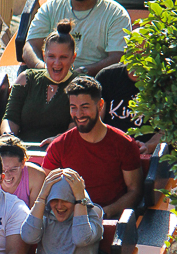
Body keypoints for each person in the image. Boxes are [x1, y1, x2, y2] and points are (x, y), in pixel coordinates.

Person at [42, 76, 143, 219]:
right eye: (73, 108)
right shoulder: (59, 146)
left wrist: (103, 212)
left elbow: (135, 191)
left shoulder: (123, 143)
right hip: (68, 221)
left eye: (85, 107)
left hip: (109, 221)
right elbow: (46, 188)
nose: (79, 114)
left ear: (100, 105)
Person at [21, 169, 103, 254]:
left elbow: (81, 239)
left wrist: (80, 199)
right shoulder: (45, 216)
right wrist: (42, 196)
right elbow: (28, 237)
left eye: (66, 199)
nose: (59, 206)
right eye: (54, 199)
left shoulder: (92, 216)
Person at [0, 20, 76, 146]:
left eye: (63, 57)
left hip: (61, 150)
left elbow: (78, 126)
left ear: (73, 58)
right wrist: (9, 137)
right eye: (51, 56)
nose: (57, 63)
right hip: (23, 151)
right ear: (44, 56)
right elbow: (10, 118)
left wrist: (58, 140)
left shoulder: (79, 84)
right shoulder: (26, 79)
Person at [97, 63, 162, 155]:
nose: (138, 54)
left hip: (146, 155)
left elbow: (168, 129)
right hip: (108, 150)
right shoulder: (107, 76)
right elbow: (96, 121)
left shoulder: (163, 81)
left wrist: (148, 146)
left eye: (142, 51)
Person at [0, 134, 46, 207]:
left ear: (23, 163)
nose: (6, 176)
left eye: (13, 169)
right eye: (1, 170)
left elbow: (34, 216)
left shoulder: (37, 176)